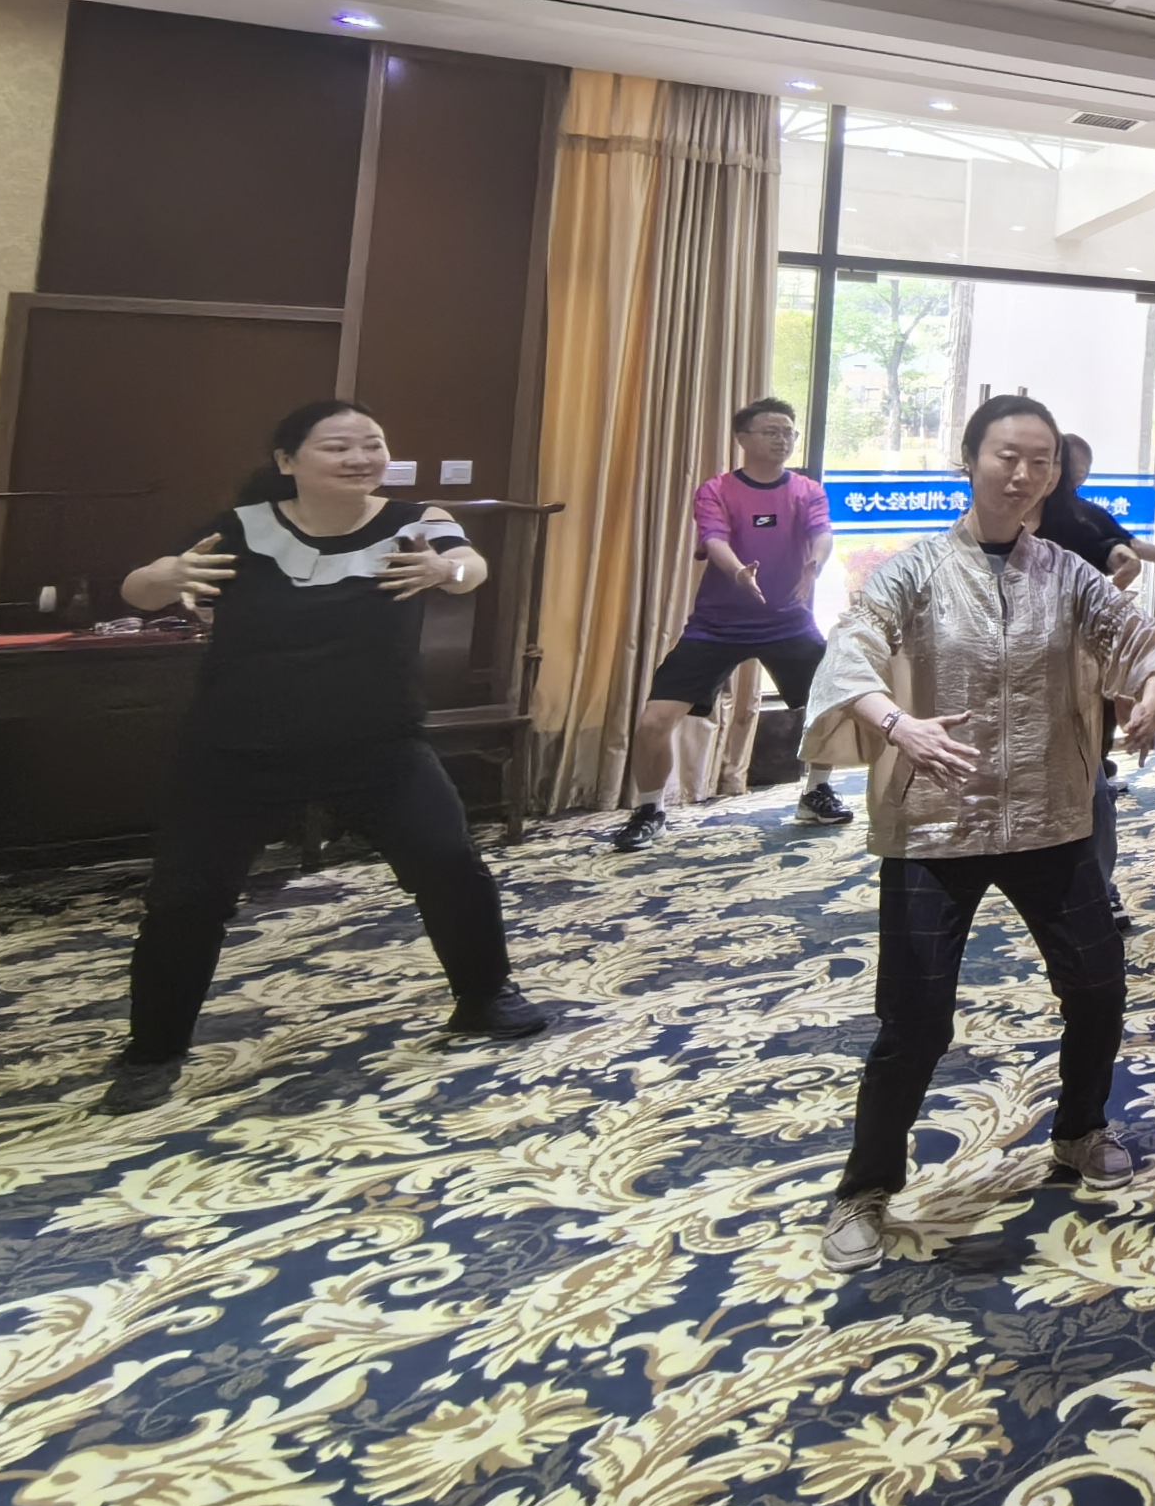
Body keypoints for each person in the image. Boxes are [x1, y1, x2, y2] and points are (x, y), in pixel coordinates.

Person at [803, 396, 1155, 1270]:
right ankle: (865, 1187)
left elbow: (1140, 637)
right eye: (1007, 456)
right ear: (970, 460)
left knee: (1098, 990)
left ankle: (1080, 1129)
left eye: (1041, 461)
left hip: (1052, 816)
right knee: (915, 1022)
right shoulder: (915, 571)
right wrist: (898, 724)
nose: (1023, 474)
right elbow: (851, 649)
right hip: (936, 823)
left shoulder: (1068, 574)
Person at [104, 400, 551, 1113]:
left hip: (378, 742)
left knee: (447, 862)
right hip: (237, 747)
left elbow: (470, 565)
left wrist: (446, 569)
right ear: (287, 462)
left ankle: (485, 997)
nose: (360, 458)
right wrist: (167, 577)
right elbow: (142, 585)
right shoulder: (240, 528)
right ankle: (152, 1051)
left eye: (372, 444)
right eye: (337, 446)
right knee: (187, 897)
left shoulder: (415, 521)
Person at [612, 397, 846, 852]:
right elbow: (714, 539)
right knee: (654, 720)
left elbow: (822, 532)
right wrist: (738, 572)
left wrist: (814, 565)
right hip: (717, 625)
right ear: (743, 439)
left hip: (787, 622)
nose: (782, 440)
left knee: (832, 701)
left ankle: (816, 792)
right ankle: (649, 810)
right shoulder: (716, 490)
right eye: (771, 431)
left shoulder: (807, 490)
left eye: (789, 433)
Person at [1033, 430, 1155, 932]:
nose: (1031, 476)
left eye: (1049, 464)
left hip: (1082, 665)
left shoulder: (1079, 521)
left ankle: (1099, 890)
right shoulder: (968, 549)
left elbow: (1127, 555)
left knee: (1091, 793)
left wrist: (1147, 700)